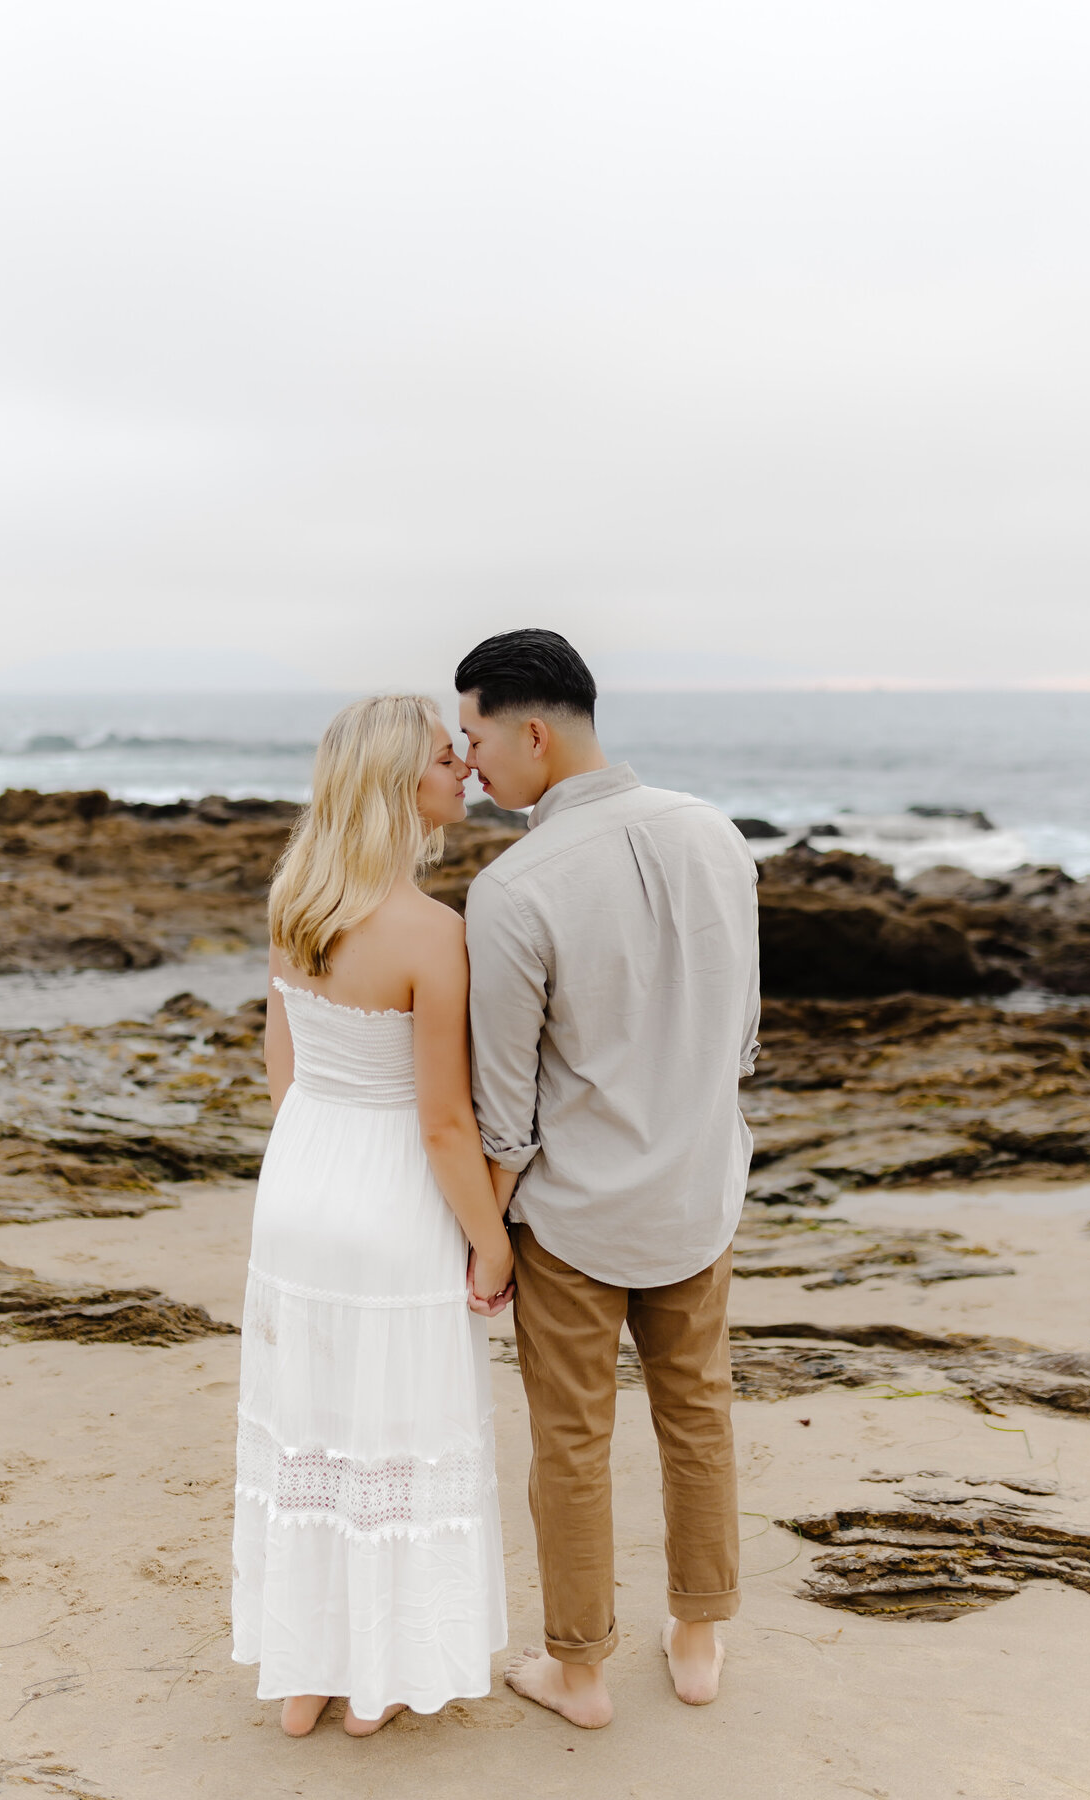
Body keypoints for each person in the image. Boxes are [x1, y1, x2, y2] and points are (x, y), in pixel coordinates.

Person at [457, 629, 760, 1730]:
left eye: (475, 733)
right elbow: (742, 1032)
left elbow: (504, 1108)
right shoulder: (717, 834)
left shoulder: (513, 886)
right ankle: (700, 1635)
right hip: (698, 1192)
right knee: (700, 1414)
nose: (468, 758)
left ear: (530, 729)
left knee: (571, 1441)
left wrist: (484, 1235)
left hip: (575, 1215)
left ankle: (578, 1670)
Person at [231, 695, 511, 1738]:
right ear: (402, 787)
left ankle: (306, 1675)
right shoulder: (435, 933)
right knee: (393, 1432)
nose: (464, 774)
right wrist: (491, 1242)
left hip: (302, 1181)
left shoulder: (296, 897)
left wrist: (312, 1157)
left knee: (312, 1426)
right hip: (393, 1193)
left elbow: (283, 1068)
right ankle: (380, 1675)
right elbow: (443, 1123)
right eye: (447, 759)